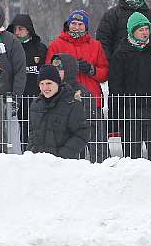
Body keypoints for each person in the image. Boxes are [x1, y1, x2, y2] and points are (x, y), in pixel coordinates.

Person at [46, 10, 111, 162]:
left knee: (98, 144)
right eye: (73, 23)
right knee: (71, 147)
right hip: (66, 101)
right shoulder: (56, 45)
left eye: (80, 24)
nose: (76, 27)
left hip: (92, 101)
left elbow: (104, 72)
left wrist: (91, 69)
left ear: (86, 27)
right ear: (68, 25)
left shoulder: (96, 46)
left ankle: (102, 172)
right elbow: (49, 71)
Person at [108, 12, 151, 159]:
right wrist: (115, 111)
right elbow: (115, 86)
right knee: (131, 153)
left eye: (146, 29)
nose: (144, 32)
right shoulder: (120, 54)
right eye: (140, 29)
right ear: (132, 31)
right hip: (129, 109)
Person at [27, 64, 90, 159]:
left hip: (62, 165)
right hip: (39, 163)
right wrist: (31, 151)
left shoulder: (71, 104)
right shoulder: (36, 105)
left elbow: (82, 132)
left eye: (49, 83)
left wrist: (63, 155)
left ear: (57, 83)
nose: (45, 88)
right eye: (42, 84)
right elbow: (33, 132)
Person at [50, 52, 104, 159]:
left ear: (69, 70)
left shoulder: (81, 93)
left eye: (60, 69)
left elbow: (91, 129)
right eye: (53, 69)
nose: (56, 73)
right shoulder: (49, 91)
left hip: (75, 148)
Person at [6, 13, 48, 151]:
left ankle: (41, 155)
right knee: (23, 128)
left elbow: (47, 71)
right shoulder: (9, 48)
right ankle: (26, 154)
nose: (17, 33)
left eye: (20, 29)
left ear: (28, 29)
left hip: (37, 96)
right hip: (19, 96)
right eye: (14, 29)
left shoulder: (40, 48)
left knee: (40, 128)